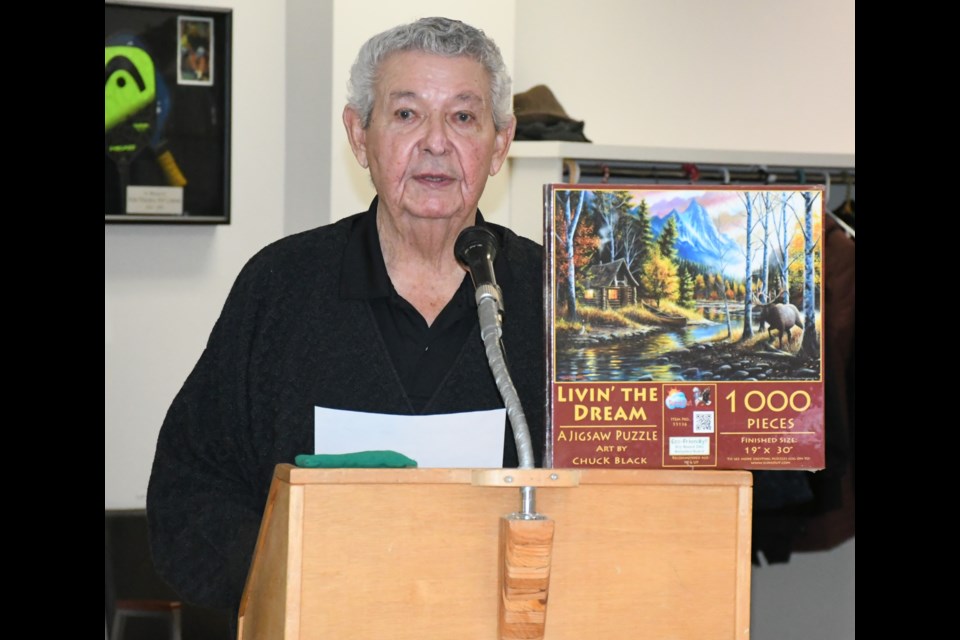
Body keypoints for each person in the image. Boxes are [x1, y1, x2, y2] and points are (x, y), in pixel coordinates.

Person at [146, 16, 546, 618]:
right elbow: (192, 487)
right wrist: (292, 577)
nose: (436, 142)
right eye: (406, 114)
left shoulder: (553, 296)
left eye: (463, 116)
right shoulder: (281, 287)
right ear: (359, 136)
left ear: (500, 143)